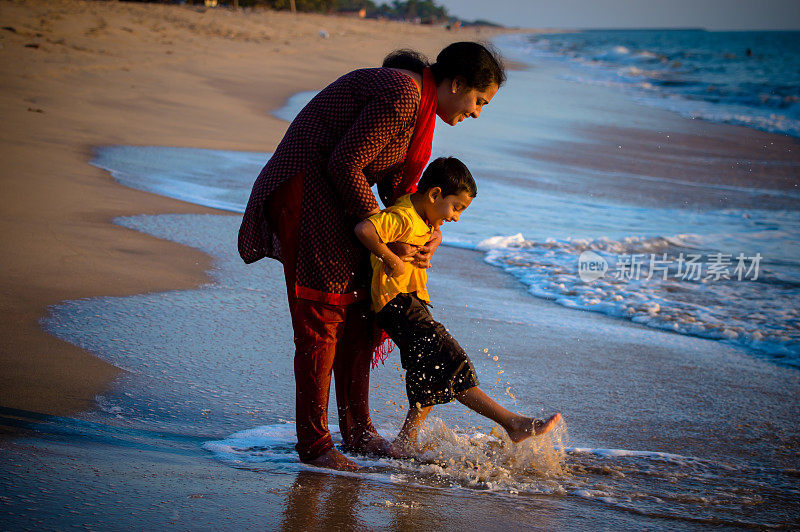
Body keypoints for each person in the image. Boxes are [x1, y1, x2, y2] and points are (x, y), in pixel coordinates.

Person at [238, 42, 506, 471]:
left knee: (361, 312)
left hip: (336, 197)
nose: (476, 112)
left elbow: (400, 189)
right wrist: (381, 232)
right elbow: (346, 163)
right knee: (321, 318)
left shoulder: (420, 104)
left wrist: (426, 232)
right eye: (479, 100)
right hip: (307, 191)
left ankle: (358, 431)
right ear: (456, 84)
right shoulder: (404, 94)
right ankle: (316, 444)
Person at [355, 157, 562, 458]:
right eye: (457, 207)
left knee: (424, 371)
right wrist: (392, 259)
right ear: (435, 194)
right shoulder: (401, 215)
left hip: (413, 301)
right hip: (395, 303)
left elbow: (427, 230)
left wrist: (432, 241)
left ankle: (405, 441)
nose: (456, 217)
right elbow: (365, 230)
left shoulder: (422, 216)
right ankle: (511, 422)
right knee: (450, 361)